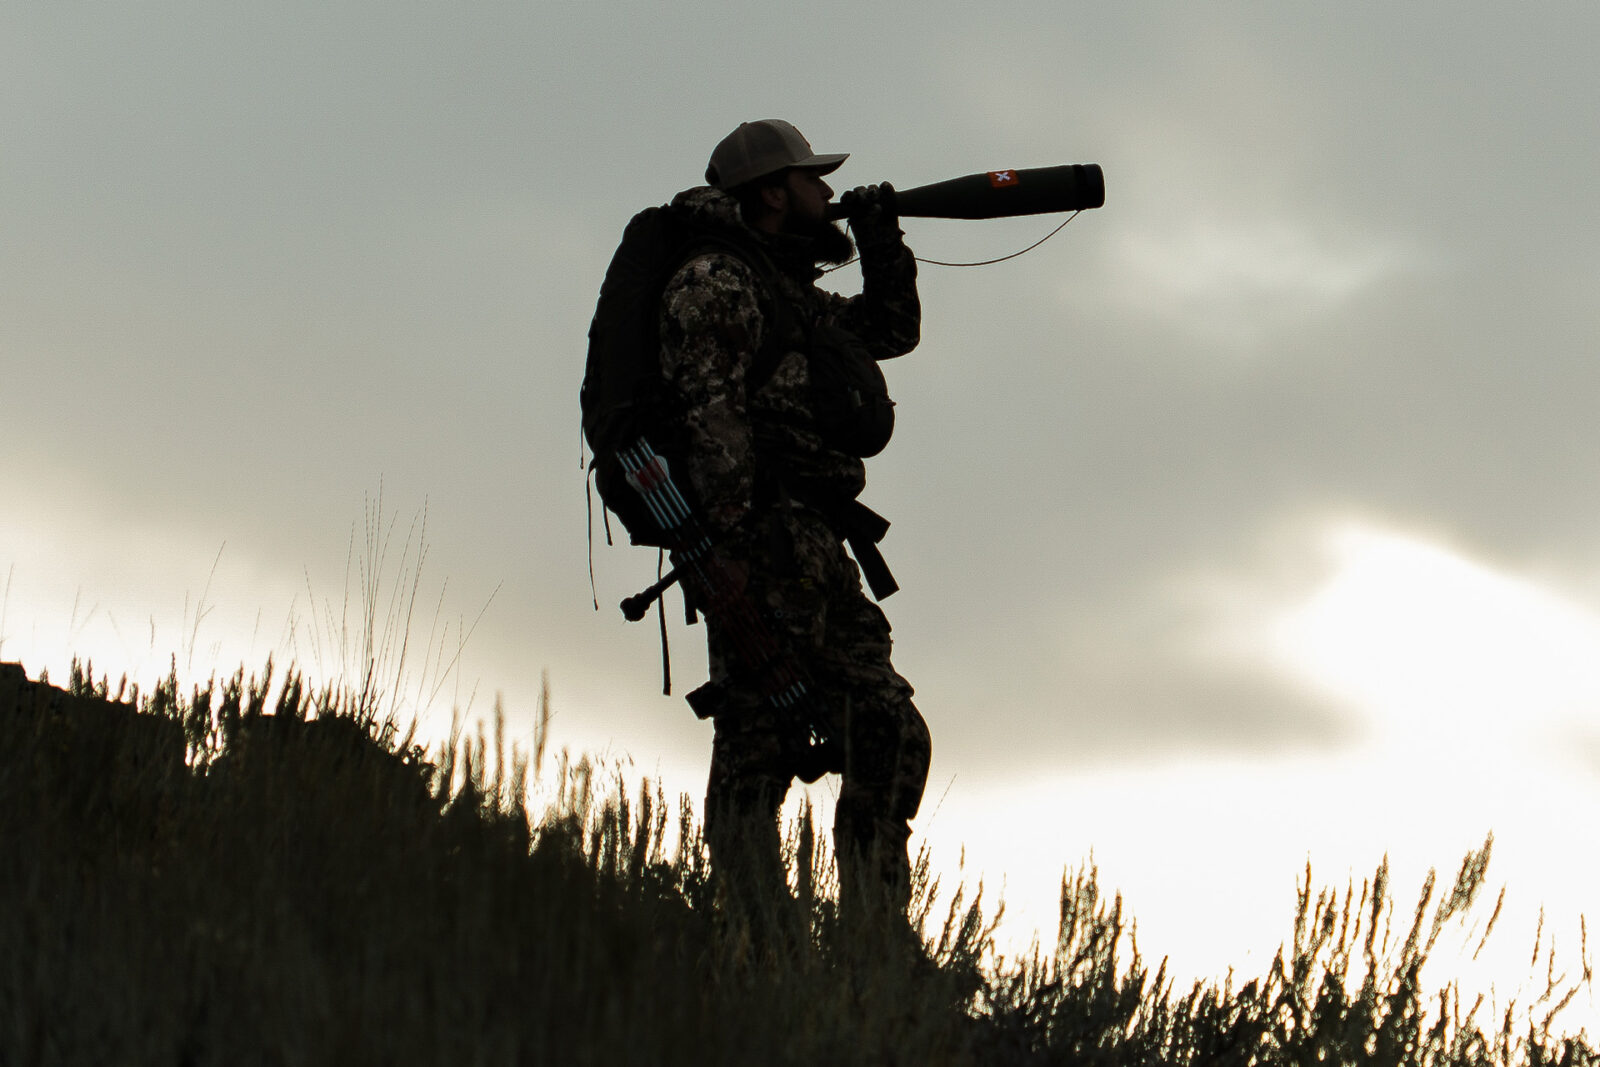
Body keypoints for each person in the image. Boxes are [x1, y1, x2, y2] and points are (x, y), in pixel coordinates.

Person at [656, 119, 932, 932]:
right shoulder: (716, 282)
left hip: (816, 546)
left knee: (886, 729)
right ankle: (755, 944)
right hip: (760, 550)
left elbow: (888, 333)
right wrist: (733, 558)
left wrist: (883, 241)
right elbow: (712, 423)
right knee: (757, 746)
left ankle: (873, 942)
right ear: (772, 193)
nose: (825, 192)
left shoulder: (789, 295)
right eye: (810, 180)